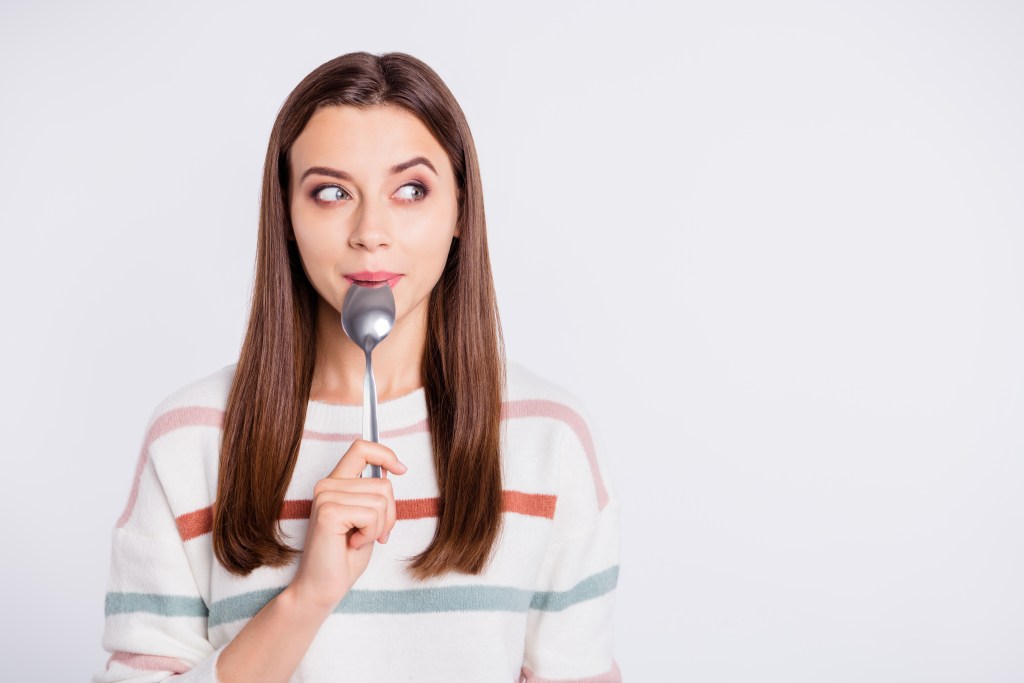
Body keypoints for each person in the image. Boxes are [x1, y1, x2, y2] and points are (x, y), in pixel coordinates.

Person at [93, 51, 622, 683]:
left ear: (460, 211)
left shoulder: (548, 438)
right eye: (332, 192)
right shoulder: (192, 439)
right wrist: (306, 597)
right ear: (286, 217)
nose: (371, 231)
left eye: (410, 190)